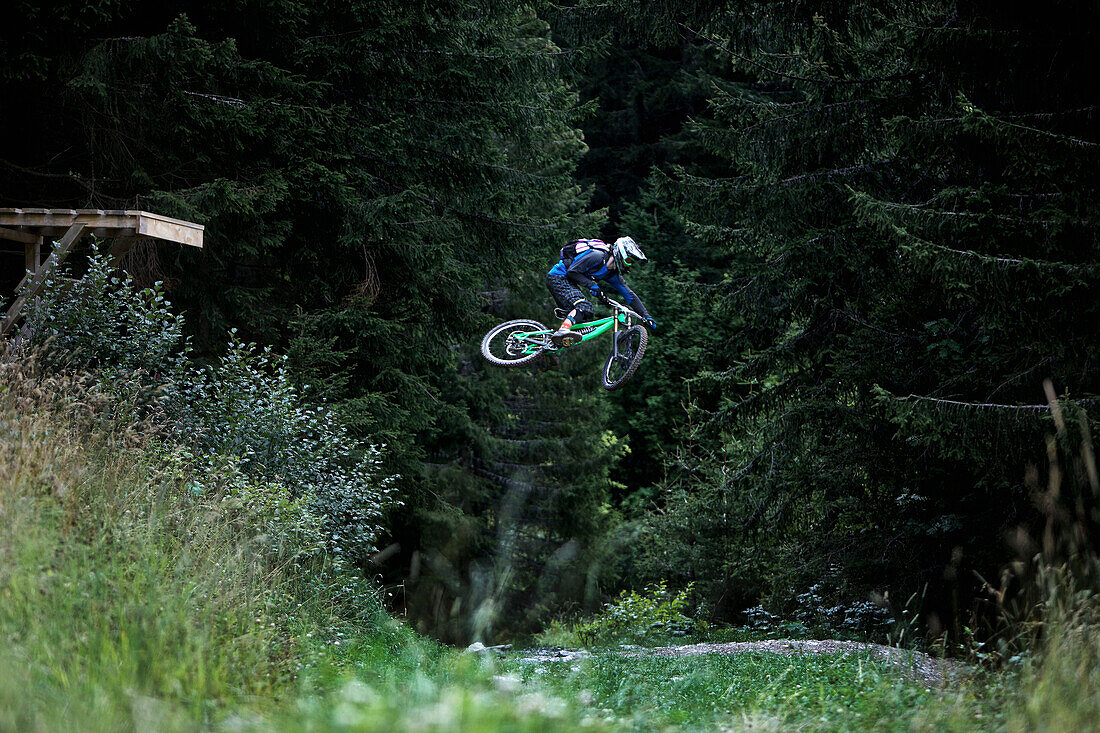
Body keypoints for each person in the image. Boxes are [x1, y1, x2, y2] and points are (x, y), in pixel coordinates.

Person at [546, 236, 656, 346]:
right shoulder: (597, 256)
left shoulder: (612, 274)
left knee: (583, 319)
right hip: (558, 277)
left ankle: (550, 348)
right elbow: (572, 272)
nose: (629, 265)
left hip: (567, 282)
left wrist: (646, 316)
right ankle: (562, 331)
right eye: (629, 261)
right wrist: (593, 286)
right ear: (621, 254)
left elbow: (629, 295)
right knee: (584, 306)